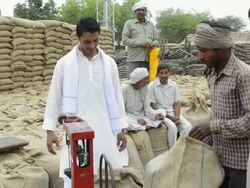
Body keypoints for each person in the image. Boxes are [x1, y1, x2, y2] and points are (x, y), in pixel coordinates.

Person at [42, 17, 128, 188]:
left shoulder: (109, 64)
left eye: (95, 41)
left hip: (105, 129)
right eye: (87, 42)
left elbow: (118, 98)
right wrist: (50, 131)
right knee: (76, 176)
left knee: (106, 175)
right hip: (76, 132)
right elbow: (54, 96)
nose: (92, 46)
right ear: (78, 38)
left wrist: (121, 129)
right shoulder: (64, 64)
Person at [189, 20, 250, 188]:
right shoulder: (213, 73)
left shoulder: (243, 75)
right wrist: (205, 136)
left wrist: (212, 127)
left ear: (222, 49)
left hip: (241, 165)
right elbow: (220, 112)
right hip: (218, 157)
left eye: (203, 51)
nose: (199, 56)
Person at [146, 64, 192, 148]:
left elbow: (177, 103)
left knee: (188, 126)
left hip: (173, 112)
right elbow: (154, 106)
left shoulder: (173, 85)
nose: (164, 75)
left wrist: (177, 117)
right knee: (172, 127)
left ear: (169, 73)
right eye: (161, 73)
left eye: (166, 73)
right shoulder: (152, 86)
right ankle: (172, 150)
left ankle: (182, 148)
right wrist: (171, 118)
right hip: (160, 114)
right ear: (157, 74)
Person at [122, 1, 158, 75]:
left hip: (149, 59)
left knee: (147, 82)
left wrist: (151, 44)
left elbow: (156, 40)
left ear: (146, 12)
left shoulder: (150, 24)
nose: (141, 12)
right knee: (133, 82)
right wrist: (140, 43)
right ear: (135, 12)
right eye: (139, 10)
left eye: (143, 10)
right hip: (134, 59)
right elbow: (125, 40)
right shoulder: (129, 23)